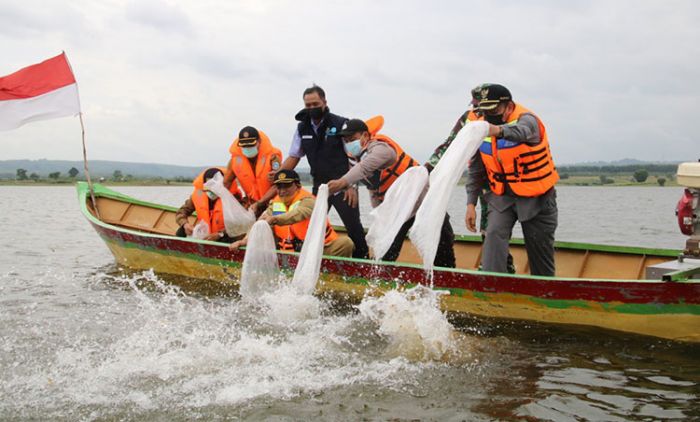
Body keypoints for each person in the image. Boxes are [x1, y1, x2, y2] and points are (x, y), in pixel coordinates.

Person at [327, 117, 456, 267]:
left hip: (424, 203)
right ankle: (380, 280)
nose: (349, 144)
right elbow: (374, 190)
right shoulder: (355, 158)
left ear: (365, 136)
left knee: (443, 243)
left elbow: (364, 168)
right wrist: (381, 216)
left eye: (352, 138)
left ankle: (448, 278)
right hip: (398, 210)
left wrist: (343, 182)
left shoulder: (382, 149)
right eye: (347, 140)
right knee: (387, 249)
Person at [465, 84, 559, 276]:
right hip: (502, 197)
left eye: (494, 109)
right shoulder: (481, 124)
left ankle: (544, 291)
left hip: (537, 197)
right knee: (493, 235)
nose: (490, 114)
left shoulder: (528, 120)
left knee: (539, 250)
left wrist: (496, 130)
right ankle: (493, 287)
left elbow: (521, 133)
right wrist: (471, 203)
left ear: (508, 106)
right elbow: (475, 168)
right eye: (486, 110)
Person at [427, 83, 516, 273]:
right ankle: (496, 267)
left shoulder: (508, 118)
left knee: (495, 230)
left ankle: (502, 268)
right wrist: (427, 169)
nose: (479, 110)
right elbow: (448, 145)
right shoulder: (467, 119)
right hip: (484, 181)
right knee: (488, 229)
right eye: (476, 106)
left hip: (509, 181)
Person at [275, 85, 369, 259]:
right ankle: (311, 260)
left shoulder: (340, 124)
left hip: (343, 185)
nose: (312, 108)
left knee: (353, 226)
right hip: (319, 186)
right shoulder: (302, 128)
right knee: (312, 225)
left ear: (325, 102)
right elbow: (294, 156)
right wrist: (277, 176)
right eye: (308, 105)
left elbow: (353, 156)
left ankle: (361, 263)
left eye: (315, 104)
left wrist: (351, 184)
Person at [230, 169, 354, 257]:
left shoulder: (309, 200)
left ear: (297, 185)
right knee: (262, 229)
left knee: (346, 243)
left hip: (318, 249)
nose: (282, 191)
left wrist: (274, 219)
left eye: (287, 186)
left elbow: (298, 214)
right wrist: (244, 241)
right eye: (279, 187)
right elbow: (259, 224)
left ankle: (332, 274)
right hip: (291, 250)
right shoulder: (275, 203)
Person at [224, 126, 282, 216]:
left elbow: (279, 185)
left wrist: (260, 203)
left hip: (273, 203)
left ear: (259, 142)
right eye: (244, 146)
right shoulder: (234, 161)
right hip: (252, 205)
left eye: (251, 145)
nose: (247, 148)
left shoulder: (273, 158)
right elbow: (226, 184)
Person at [175, 167, 243, 243]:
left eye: (215, 185)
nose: (211, 189)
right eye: (209, 185)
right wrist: (185, 224)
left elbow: (240, 224)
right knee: (181, 231)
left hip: (226, 236)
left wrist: (220, 234)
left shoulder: (234, 197)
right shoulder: (198, 195)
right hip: (207, 236)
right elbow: (181, 212)